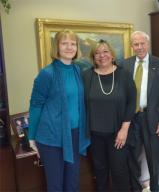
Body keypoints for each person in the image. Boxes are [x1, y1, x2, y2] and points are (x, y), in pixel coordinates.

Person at [28, 29, 90, 191]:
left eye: (73, 44)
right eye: (64, 43)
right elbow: (35, 105)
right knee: (56, 184)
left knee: (73, 182)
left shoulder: (77, 70)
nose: (69, 47)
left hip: (75, 134)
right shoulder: (46, 74)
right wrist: (31, 137)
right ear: (57, 47)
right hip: (51, 136)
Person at [82, 40, 136, 191]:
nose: (101, 56)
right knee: (100, 173)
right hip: (94, 135)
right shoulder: (87, 76)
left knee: (120, 173)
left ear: (112, 55)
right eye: (97, 53)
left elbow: (132, 102)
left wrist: (124, 129)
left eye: (105, 51)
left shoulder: (123, 75)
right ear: (93, 57)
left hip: (118, 134)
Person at [120, 31, 159, 192]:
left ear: (147, 44)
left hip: (153, 119)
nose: (139, 47)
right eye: (136, 44)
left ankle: (155, 187)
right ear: (132, 46)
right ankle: (135, 188)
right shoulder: (124, 65)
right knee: (133, 157)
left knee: (154, 158)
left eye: (142, 43)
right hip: (131, 119)